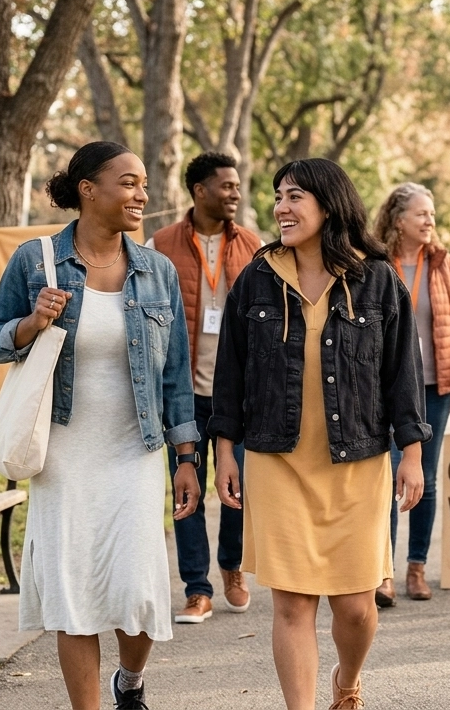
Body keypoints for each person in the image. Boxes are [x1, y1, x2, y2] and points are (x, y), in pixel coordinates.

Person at [0, 141, 201, 710]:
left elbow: (175, 370)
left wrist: (185, 457)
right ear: (88, 189)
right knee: (73, 590)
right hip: (62, 452)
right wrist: (31, 322)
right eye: (129, 182)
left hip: (134, 451)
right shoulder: (35, 261)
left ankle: (130, 680)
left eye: (144, 183)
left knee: (137, 590)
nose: (142, 195)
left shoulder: (157, 271)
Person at [209, 158, 431, 710]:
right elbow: (229, 373)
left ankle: (348, 681)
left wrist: (413, 453)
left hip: (356, 462)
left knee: (356, 608)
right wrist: (224, 451)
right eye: (279, 196)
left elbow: (403, 373)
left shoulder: (377, 279)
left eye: (296, 197)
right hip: (276, 460)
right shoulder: (257, 278)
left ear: (329, 204)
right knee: (292, 605)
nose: (282, 207)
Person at [148, 151, 263, 624]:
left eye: (237, 186)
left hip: (236, 393)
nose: (235, 193)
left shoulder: (254, 247)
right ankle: (197, 589)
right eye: (227, 186)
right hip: (182, 393)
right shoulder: (160, 245)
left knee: (237, 486)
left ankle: (232, 568)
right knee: (186, 487)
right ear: (199, 190)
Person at [370, 182, 450, 606]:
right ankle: (384, 573)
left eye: (432, 214)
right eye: (421, 214)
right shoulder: (377, 263)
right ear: (398, 220)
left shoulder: (444, 264)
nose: (430, 221)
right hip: (386, 389)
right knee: (389, 478)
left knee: (426, 479)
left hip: (434, 387)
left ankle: (416, 567)